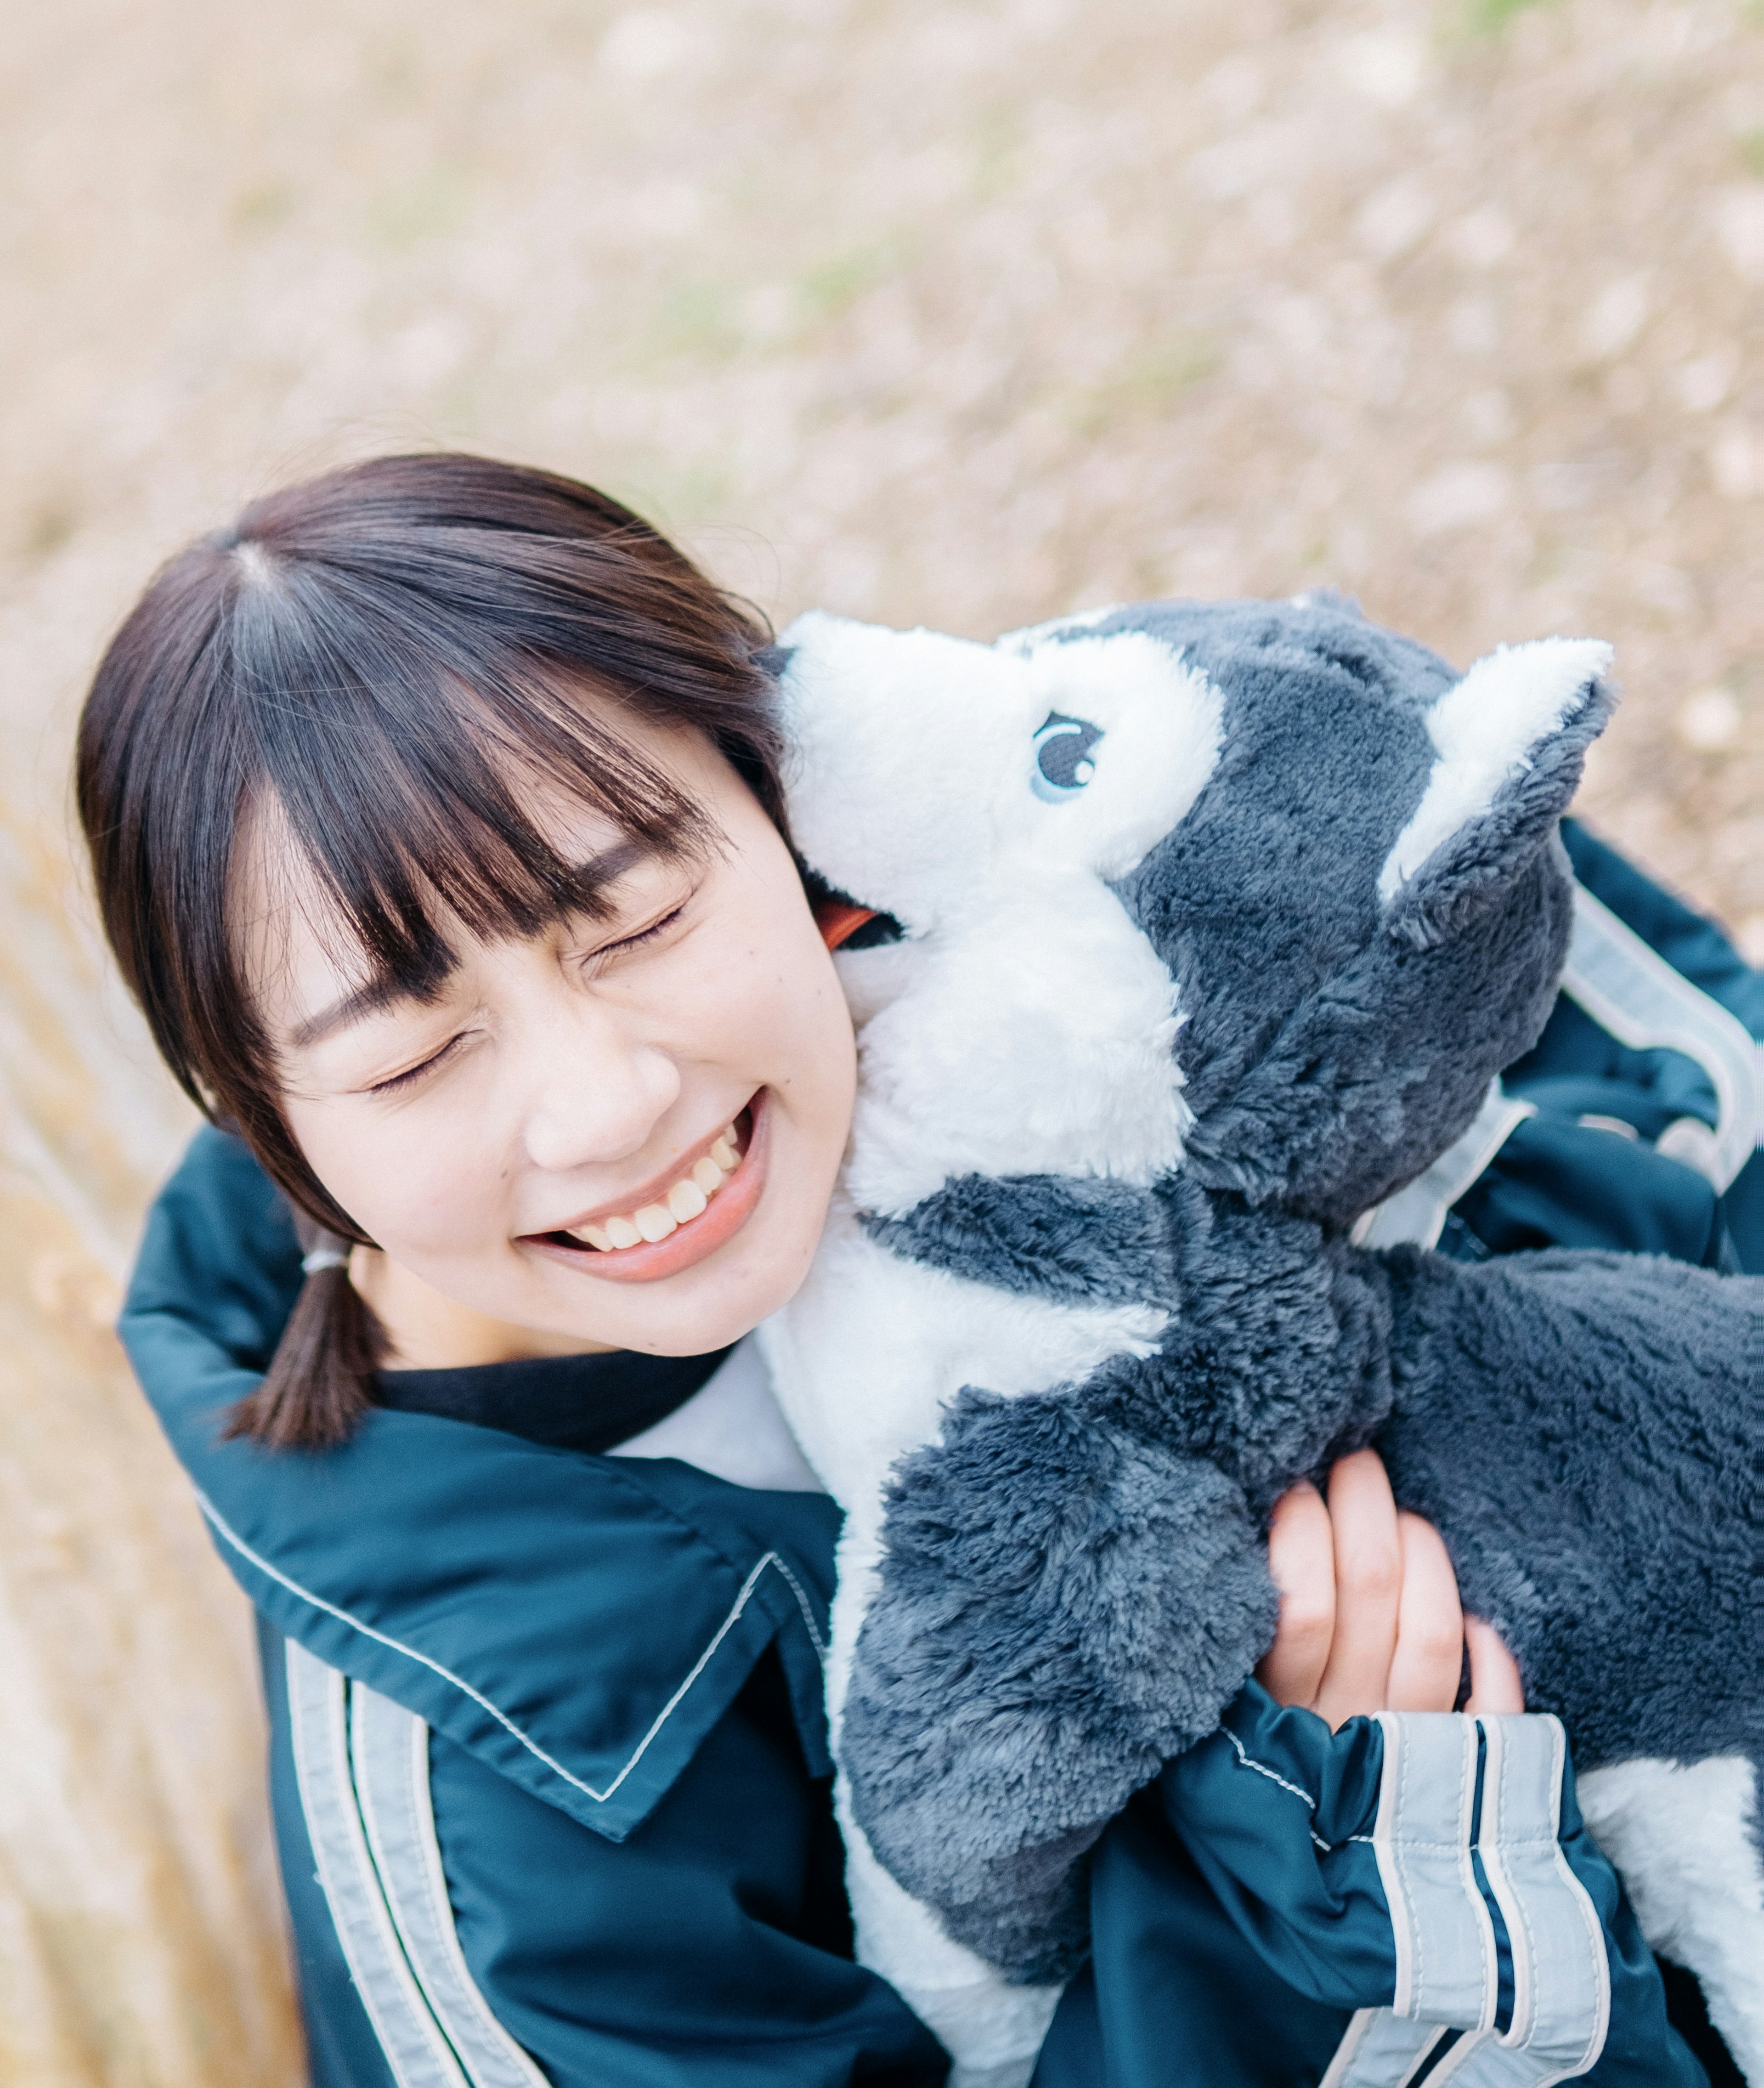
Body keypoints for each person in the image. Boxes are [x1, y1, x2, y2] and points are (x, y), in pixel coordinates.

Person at [85, 453, 1757, 2087]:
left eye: (641, 922)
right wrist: (1341, 1863)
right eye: (406, 1062)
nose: (607, 1109)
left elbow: (1684, 1092)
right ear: (263, 1116)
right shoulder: (484, 1857)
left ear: (784, 798)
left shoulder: (1099, 852)